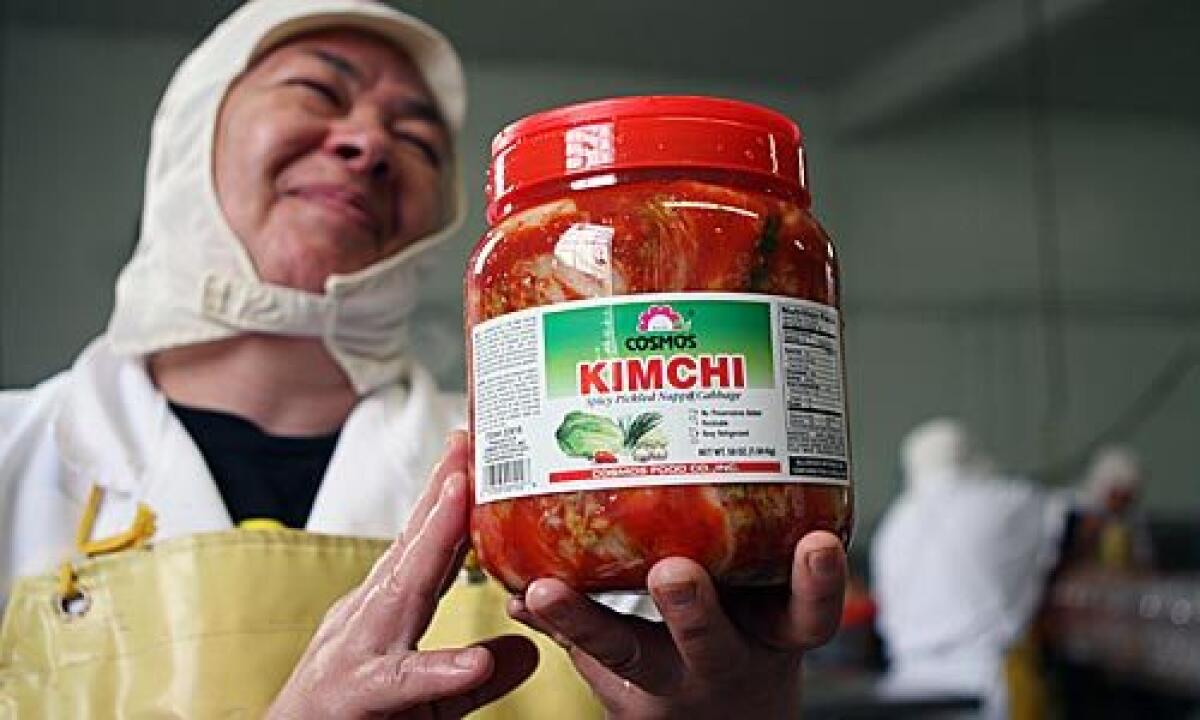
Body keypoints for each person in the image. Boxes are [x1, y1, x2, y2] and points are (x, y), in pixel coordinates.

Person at [0, 1, 847, 716]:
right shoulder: (14, 452)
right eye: (316, 91)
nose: (368, 143)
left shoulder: (560, 470)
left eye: (417, 138)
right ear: (191, 134)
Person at [870, 418, 1063, 720]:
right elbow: (1068, 515)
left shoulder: (892, 526)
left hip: (907, 680)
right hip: (980, 677)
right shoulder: (1002, 500)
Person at [1060, 445, 1154, 573]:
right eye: (1116, 496)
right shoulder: (1072, 513)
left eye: (1126, 498)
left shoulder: (1132, 520)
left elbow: (1144, 563)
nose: (1120, 505)